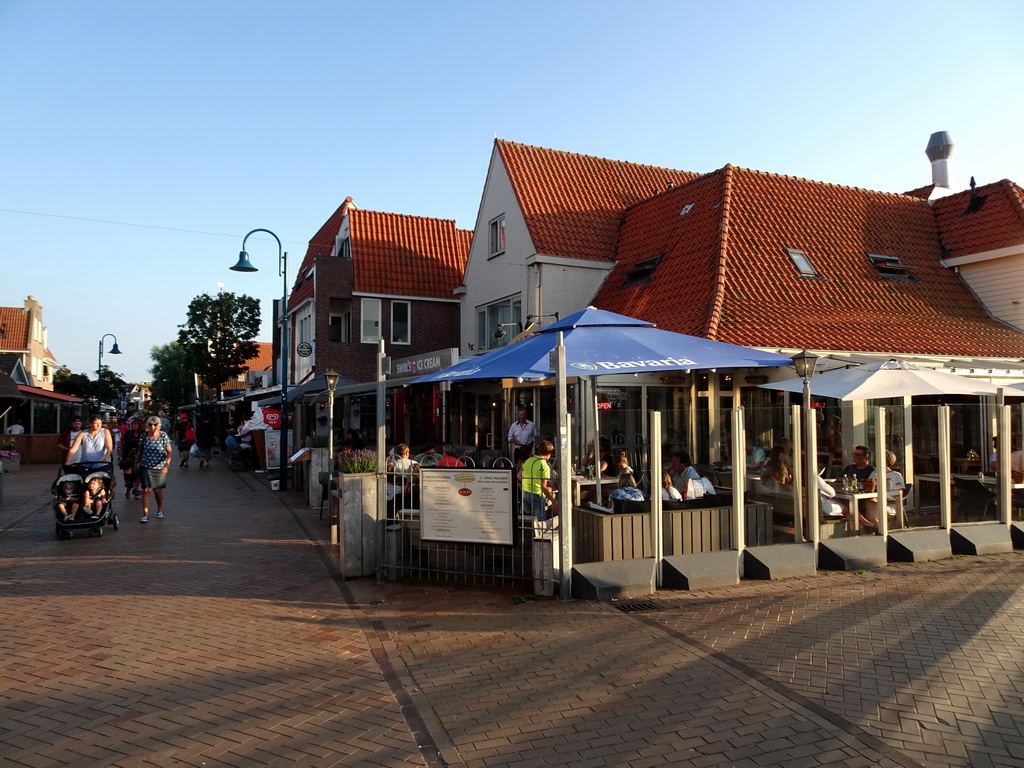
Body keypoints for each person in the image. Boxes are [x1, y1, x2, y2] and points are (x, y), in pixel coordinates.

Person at [135, 416, 172, 522]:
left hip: (159, 467)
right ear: (147, 425)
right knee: (146, 489)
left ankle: (160, 509)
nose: (153, 427)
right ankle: (145, 514)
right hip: (145, 465)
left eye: (155, 424)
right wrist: (136, 463)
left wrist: (166, 466)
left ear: (159, 425)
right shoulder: (144, 436)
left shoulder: (163, 436)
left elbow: (169, 452)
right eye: (150, 424)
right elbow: (139, 451)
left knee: (157, 490)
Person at [519, 439, 558, 522]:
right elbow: (543, 487)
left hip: (525, 492)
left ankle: (529, 534)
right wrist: (553, 501)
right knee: (541, 521)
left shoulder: (529, 460)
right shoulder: (544, 466)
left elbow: (519, 476)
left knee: (529, 520)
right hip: (536, 494)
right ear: (549, 454)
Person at [387, 443, 419, 509]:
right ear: (407, 453)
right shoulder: (414, 463)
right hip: (410, 490)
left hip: (395, 490)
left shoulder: (392, 463)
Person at [120, 418, 144, 498]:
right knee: (128, 474)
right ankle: (129, 488)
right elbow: (123, 442)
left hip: (139, 456)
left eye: (135, 424)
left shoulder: (143, 434)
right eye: (133, 424)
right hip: (128, 456)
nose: (133, 426)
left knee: (137, 474)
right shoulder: (128, 433)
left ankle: (136, 490)